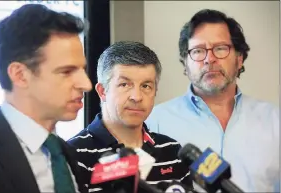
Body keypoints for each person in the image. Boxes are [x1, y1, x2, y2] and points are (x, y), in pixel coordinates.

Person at [145, 9, 279, 192]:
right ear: (185, 62)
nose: (210, 59)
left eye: (221, 48)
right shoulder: (155, 122)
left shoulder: (274, 121)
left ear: (239, 59)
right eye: (198, 51)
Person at [0, 4, 92, 193]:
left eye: (82, 70)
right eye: (66, 71)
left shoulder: (64, 153)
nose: (86, 84)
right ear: (20, 75)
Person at [67, 41, 193, 193]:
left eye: (146, 86)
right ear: (102, 91)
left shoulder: (172, 151)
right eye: (125, 85)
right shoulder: (74, 155)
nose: (137, 97)